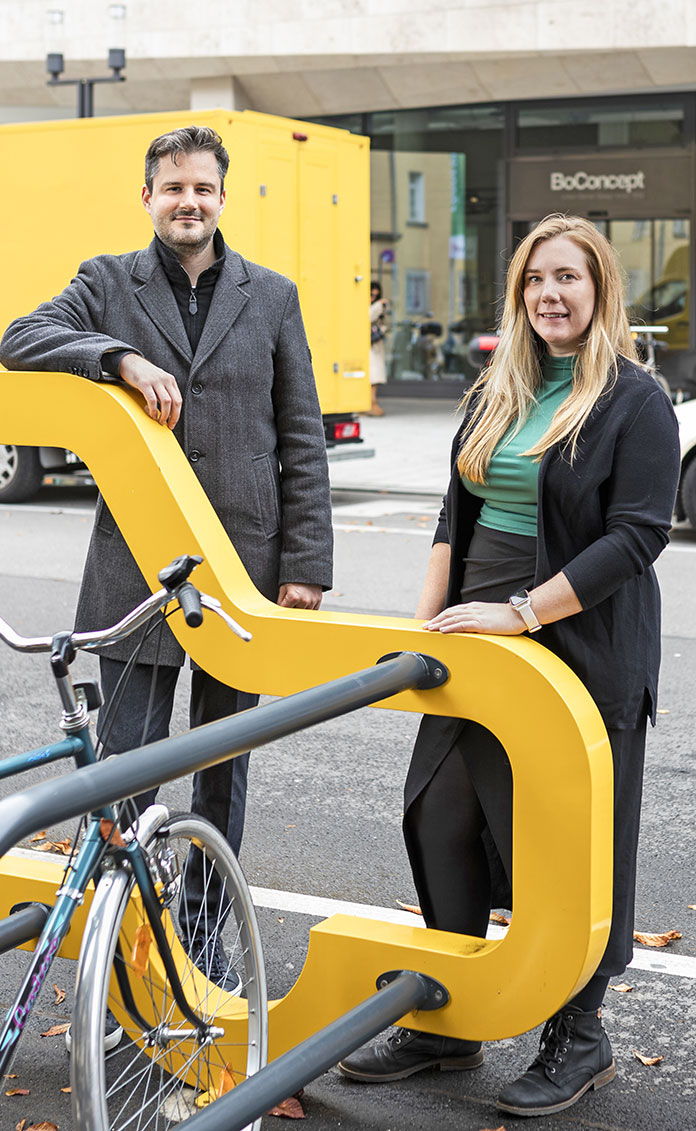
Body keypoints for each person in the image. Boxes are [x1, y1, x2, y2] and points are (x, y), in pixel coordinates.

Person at [338, 214, 680, 1117]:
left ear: (600, 287)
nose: (549, 296)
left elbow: (637, 536)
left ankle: (581, 1033)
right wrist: (425, 629)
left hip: (576, 636)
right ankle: (452, 1021)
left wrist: (525, 612)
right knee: (440, 814)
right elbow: (457, 517)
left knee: (562, 842)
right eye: (534, 281)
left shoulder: (634, 400)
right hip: (476, 628)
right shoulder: (496, 387)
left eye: (567, 277)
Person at [0, 125, 333, 991]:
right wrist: (115, 356)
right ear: (147, 198)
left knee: (224, 771)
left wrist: (305, 564)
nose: (190, 201)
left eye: (204, 189)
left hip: (243, 566)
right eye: (173, 188)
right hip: (134, 569)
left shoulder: (274, 296)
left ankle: (205, 931)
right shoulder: (109, 281)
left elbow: (300, 435)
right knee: (126, 771)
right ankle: (136, 948)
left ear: (224, 198)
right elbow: (20, 336)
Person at [368, 280, 388, 415]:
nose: (373, 298)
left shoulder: (377, 307)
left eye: (376, 295)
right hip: (366, 346)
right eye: (371, 295)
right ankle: (371, 404)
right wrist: (377, 306)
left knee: (376, 377)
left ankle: (372, 403)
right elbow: (367, 317)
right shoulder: (371, 306)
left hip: (375, 344)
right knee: (373, 376)